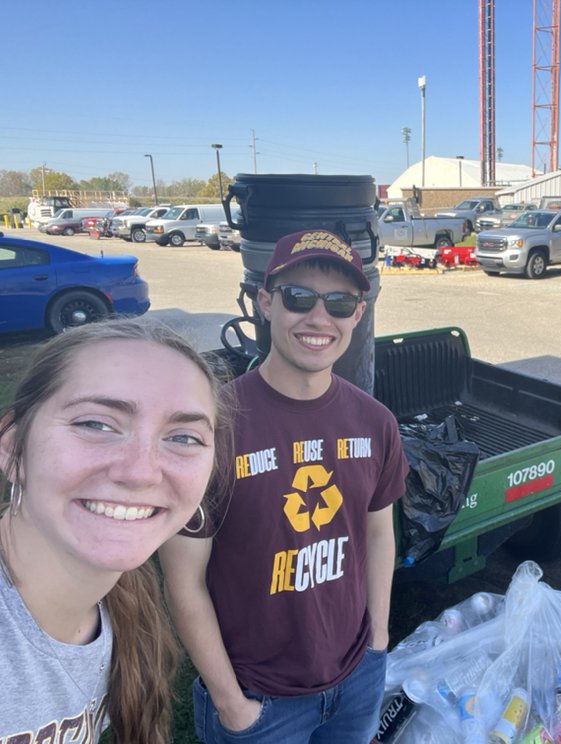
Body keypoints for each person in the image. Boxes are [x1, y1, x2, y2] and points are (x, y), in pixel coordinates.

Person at [160, 229, 409, 744]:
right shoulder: (214, 428)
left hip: (357, 677)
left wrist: (378, 640)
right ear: (266, 303)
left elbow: (379, 534)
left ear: (357, 316)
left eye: (340, 303)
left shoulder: (375, 423)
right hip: (258, 698)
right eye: (300, 298)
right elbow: (184, 582)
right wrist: (232, 704)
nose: (320, 319)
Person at [0, 319, 227, 744]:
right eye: (95, 424)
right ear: (13, 445)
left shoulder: (124, 603)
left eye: (183, 437)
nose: (140, 472)